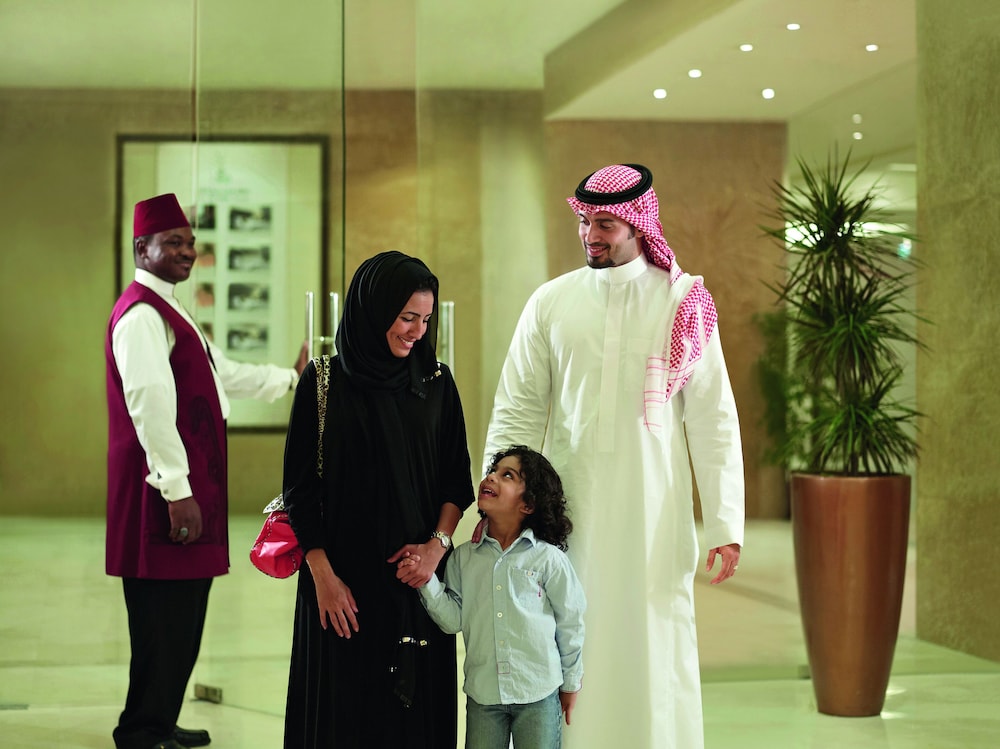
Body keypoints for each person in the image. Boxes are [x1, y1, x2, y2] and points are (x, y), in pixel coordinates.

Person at [482, 163, 745, 749]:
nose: (590, 235)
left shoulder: (682, 303)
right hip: (568, 509)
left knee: (652, 642)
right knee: (565, 632)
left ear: (638, 224)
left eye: (605, 223)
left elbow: (713, 418)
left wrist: (725, 523)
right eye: (585, 221)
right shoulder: (551, 302)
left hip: (653, 513)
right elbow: (517, 411)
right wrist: (496, 500)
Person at [105, 193, 308, 749]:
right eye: (173, 242)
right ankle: (141, 731)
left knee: (182, 617)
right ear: (141, 249)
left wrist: (291, 378)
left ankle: (160, 718)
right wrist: (177, 490)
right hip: (161, 496)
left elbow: (222, 373)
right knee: (160, 621)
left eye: (191, 242)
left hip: (185, 491)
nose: (188, 251)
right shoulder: (141, 316)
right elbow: (149, 405)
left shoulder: (170, 309)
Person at [281, 250, 475, 748]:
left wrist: (435, 549)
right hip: (341, 587)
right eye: (407, 317)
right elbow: (299, 492)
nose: (417, 332)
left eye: (426, 320)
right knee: (344, 718)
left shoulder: (437, 383)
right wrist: (324, 579)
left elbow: (457, 482)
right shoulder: (323, 382)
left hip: (417, 586)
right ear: (374, 308)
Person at [398, 445, 586, 749]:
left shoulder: (549, 559)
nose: (491, 477)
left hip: (538, 694)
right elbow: (453, 620)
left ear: (528, 504)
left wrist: (571, 683)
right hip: (483, 697)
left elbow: (571, 623)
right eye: (492, 471)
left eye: (507, 475)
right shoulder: (463, 558)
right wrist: (426, 579)